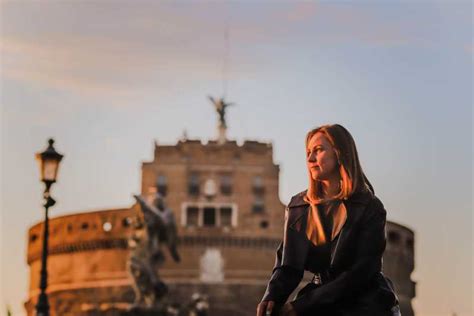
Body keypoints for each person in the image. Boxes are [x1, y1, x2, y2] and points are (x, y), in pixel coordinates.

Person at [256, 124, 401, 316]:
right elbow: (288, 266)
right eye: (308, 152)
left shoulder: (370, 207)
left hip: (366, 303)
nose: (310, 159)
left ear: (340, 153)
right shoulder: (299, 207)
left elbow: (362, 273)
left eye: (318, 150)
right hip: (319, 301)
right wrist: (271, 297)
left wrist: (300, 306)